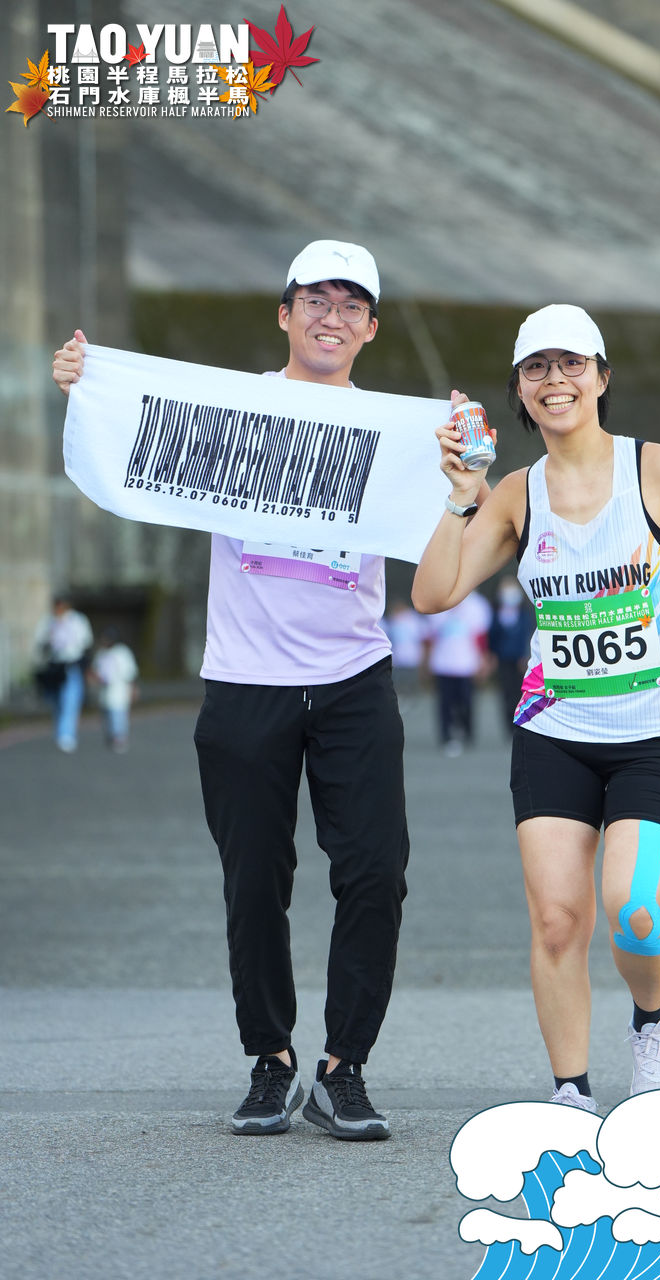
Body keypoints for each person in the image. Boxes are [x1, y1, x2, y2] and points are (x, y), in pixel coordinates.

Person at [52, 241, 421, 1142]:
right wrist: (86, 385)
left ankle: (343, 1067)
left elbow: (454, 517)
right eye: (314, 300)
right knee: (253, 880)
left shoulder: (397, 433)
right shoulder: (229, 411)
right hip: (245, 681)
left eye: (351, 305)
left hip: (353, 679)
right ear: (284, 314)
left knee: (376, 873)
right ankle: (271, 1058)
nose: (331, 317)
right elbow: (134, 434)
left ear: (370, 329)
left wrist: (463, 467)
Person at [412, 304, 660, 1112]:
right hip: (553, 737)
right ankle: (570, 1093)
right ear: (518, 391)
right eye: (536, 368)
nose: (555, 380)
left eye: (571, 363)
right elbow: (433, 594)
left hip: (655, 737)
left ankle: (651, 1026)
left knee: (635, 913)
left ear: (601, 377)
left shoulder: (655, 471)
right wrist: (460, 498)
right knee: (558, 922)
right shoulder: (514, 494)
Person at [423, 591, 492, 756]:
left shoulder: (477, 604)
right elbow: (430, 636)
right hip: (443, 663)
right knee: (444, 702)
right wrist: (425, 662)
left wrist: (483, 660)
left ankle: (467, 731)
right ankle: (446, 734)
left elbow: (481, 636)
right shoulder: (437, 600)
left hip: (467, 664)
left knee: (466, 701)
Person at [32, 593, 93, 753]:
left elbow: (86, 644)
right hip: (54, 666)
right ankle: (61, 731)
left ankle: (66, 735)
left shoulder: (78, 621)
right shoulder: (48, 622)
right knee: (57, 702)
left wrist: (87, 667)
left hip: (72, 665)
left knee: (71, 700)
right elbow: (40, 644)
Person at [487, 576, 535, 733]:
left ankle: (521, 722)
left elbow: (528, 635)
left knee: (520, 691)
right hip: (503, 658)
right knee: (506, 692)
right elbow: (492, 635)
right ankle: (508, 725)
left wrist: (526, 655)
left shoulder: (524, 613)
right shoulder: (496, 612)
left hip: (521, 659)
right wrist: (491, 654)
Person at [90, 627, 139, 752]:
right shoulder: (101, 653)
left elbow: (130, 673)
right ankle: (111, 736)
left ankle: (120, 737)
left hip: (119, 690)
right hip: (104, 691)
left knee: (118, 715)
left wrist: (133, 689)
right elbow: (95, 670)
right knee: (106, 716)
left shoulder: (122, 653)